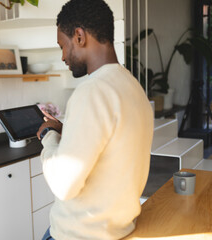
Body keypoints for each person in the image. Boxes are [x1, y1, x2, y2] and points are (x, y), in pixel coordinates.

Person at [36, 0, 154, 239]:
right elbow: (112, 148)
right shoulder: (132, 87)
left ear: (79, 36)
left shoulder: (91, 92)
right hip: (118, 230)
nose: (62, 56)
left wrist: (49, 136)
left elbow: (63, 185)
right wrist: (66, 131)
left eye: (63, 45)